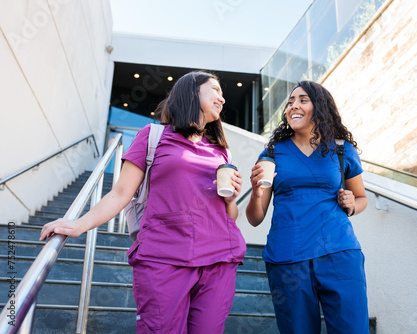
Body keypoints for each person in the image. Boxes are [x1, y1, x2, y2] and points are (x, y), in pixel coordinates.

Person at [40, 71, 247, 333]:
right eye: (215, 90)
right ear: (192, 92)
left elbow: (230, 214)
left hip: (219, 256)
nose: (222, 98)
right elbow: (120, 193)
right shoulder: (153, 137)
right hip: (164, 255)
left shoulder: (221, 150)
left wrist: (232, 200)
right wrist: (79, 224)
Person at [246, 81, 369, 333]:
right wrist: (256, 192)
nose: (294, 106)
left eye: (303, 100)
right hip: (287, 258)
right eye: (290, 102)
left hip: (339, 252)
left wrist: (352, 205)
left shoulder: (342, 150)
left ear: (320, 106)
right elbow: (255, 218)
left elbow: (361, 198)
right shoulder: (272, 153)